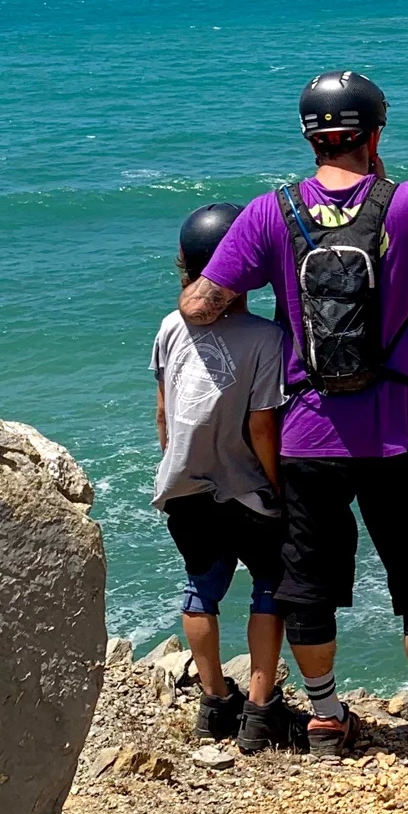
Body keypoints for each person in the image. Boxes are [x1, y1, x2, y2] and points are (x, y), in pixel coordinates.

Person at [178, 70, 408, 776]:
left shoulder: (270, 211)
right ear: (374, 133)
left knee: (308, 582)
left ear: (309, 137)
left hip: (307, 433)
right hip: (397, 429)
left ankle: (324, 717)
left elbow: (202, 305)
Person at [153, 202, 292, 754]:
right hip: (248, 489)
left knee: (200, 589)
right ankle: (259, 709)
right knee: (269, 586)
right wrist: (278, 486)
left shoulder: (170, 327)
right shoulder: (267, 338)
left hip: (186, 486)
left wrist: (175, 464)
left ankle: (214, 702)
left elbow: (163, 412)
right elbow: (261, 425)